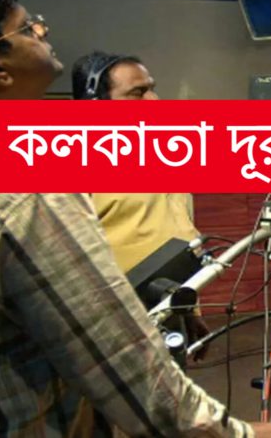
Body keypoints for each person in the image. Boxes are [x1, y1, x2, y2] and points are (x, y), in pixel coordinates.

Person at [0, 0, 271, 437]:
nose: (42, 30)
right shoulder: (29, 180)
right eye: (27, 29)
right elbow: (118, 357)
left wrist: (183, 305)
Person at [71, 51, 212, 359]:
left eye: (152, 89)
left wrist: (189, 310)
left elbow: (176, 235)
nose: (154, 100)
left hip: (168, 312)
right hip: (109, 325)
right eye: (137, 93)